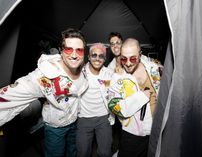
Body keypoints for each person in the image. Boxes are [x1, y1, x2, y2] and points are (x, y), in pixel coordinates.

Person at [0, 28, 88, 157]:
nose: (74, 55)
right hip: (55, 128)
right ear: (61, 50)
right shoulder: (45, 74)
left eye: (79, 50)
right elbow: (12, 94)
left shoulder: (81, 66)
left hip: (75, 122)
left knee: (73, 152)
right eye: (69, 49)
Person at [108, 38, 162, 157]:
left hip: (157, 129)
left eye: (133, 58)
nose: (128, 63)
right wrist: (141, 97)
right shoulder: (118, 78)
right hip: (133, 134)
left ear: (140, 55)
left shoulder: (153, 67)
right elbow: (115, 107)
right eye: (123, 58)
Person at [76, 43, 114, 157]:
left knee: (105, 152)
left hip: (103, 119)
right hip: (83, 118)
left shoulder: (109, 74)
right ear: (88, 57)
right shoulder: (79, 73)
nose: (97, 58)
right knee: (82, 153)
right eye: (94, 55)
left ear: (105, 59)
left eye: (101, 56)